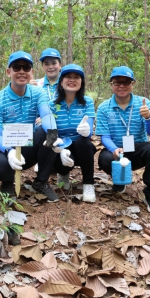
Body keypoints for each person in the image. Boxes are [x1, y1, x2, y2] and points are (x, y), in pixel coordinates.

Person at [0, 51, 59, 202]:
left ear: (31, 72)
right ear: (9, 72)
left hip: (28, 145)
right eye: (16, 67)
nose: (21, 71)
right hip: (5, 147)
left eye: (26, 67)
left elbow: (46, 115)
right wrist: (9, 151)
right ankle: (7, 183)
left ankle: (40, 182)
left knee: (47, 135)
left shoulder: (38, 93)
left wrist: (53, 134)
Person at [95, 66, 150, 214]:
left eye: (126, 82)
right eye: (117, 82)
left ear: (133, 84)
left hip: (138, 147)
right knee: (104, 158)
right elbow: (104, 137)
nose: (122, 86)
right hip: (116, 150)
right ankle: (119, 181)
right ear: (111, 84)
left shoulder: (143, 103)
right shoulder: (103, 107)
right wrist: (114, 149)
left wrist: (148, 117)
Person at [49, 64, 97, 202]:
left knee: (84, 142)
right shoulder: (52, 104)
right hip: (61, 146)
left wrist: (87, 130)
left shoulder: (87, 102)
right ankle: (62, 174)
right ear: (61, 81)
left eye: (76, 77)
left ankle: (88, 184)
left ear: (81, 82)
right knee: (54, 155)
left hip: (81, 147)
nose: (72, 80)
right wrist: (58, 147)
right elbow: (50, 131)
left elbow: (88, 130)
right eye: (68, 77)